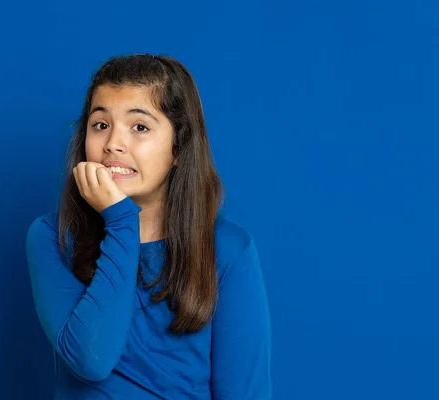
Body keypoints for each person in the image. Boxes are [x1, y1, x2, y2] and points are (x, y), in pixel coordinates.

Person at [26, 54, 272, 399]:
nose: (113, 143)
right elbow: (91, 359)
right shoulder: (53, 237)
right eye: (100, 125)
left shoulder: (228, 250)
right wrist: (122, 218)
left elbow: (245, 392)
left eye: (139, 127)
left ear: (178, 148)